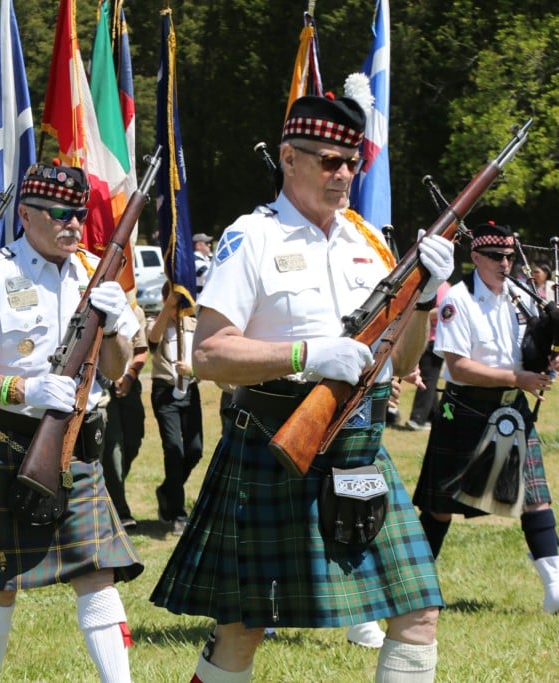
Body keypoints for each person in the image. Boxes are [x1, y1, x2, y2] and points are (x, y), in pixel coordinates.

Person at [150, 94, 453, 681]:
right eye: (327, 160)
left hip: (360, 445)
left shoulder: (368, 243)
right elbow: (209, 354)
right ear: (288, 158)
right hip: (275, 440)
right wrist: (309, 354)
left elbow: (407, 361)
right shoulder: (253, 237)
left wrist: (421, 298)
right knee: (243, 626)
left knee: (418, 612)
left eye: (351, 162)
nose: (343, 174)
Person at [0, 161, 143, 683]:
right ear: (27, 214)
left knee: (97, 572)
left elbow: (116, 368)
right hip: (4, 438)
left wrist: (114, 329)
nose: (73, 225)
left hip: (77, 442)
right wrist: (20, 388)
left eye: (78, 214)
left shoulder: (92, 272)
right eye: (60, 213)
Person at [413, 221, 559, 615]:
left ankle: (555, 589)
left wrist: (546, 357)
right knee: (441, 505)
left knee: (536, 498)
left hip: (514, 406)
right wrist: (519, 376)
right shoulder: (457, 301)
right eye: (496, 256)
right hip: (465, 409)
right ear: (475, 256)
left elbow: (532, 347)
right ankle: (418, 589)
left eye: (510, 256)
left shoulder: (522, 297)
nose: (505, 263)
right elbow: (459, 369)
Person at [148, 285, 203, 536]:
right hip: (165, 393)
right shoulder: (156, 322)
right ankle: (179, 514)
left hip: (190, 390)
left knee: (195, 450)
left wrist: (192, 369)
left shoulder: (193, 323)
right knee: (173, 450)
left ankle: (168, 491)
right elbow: (152, 338)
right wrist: (168, 305)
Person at [102, 300, 148, 528]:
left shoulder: (134, 309)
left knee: (133, 440)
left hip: (130, 383)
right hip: (102, 385)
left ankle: (113, 488)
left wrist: (129, 375)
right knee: (113, 446)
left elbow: (141, 350)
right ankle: (120, 508)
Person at [406, 282, 451, 431]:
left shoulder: (443, 287)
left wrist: (420, 312)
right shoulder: (430, 285)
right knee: (429, 378)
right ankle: (433, 416)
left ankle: (418, 418)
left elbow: (443, 311)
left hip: (435, 340)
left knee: (427, 378)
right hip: (426, 338)